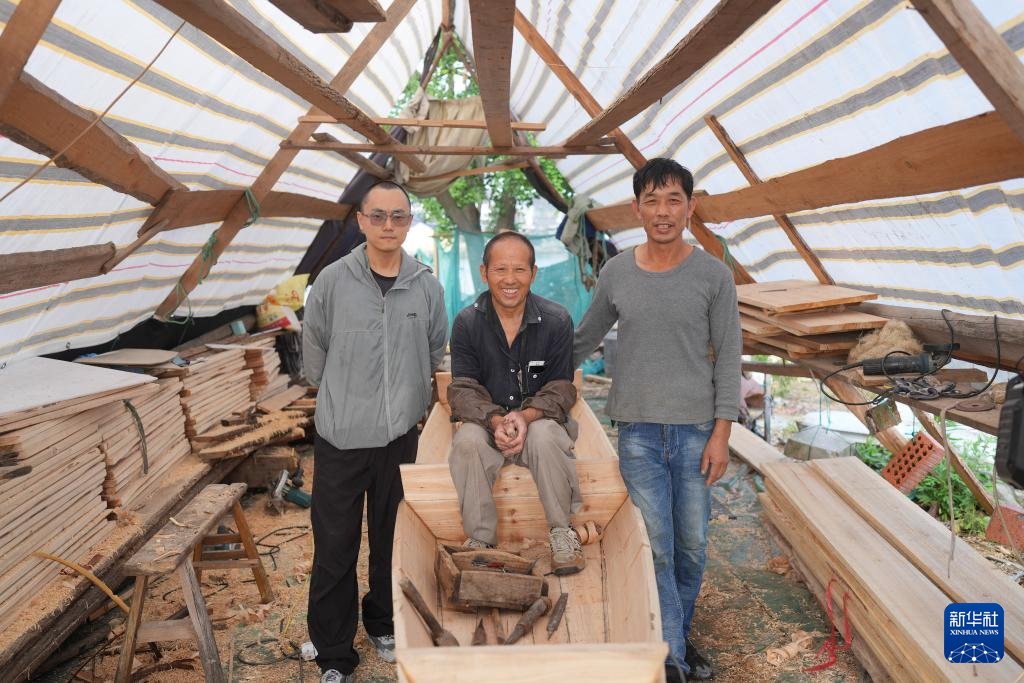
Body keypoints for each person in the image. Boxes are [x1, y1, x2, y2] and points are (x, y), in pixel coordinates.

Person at [573, 159, 741, 683]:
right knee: (658, 549)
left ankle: (676, 637)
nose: (663, 212)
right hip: (638, 432)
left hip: (696, 432)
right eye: (652, 201)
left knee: (692, 547)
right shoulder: (616, 273)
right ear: (636, 209)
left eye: (673, 200)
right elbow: (582, 338)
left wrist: (722, 433)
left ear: (690, 207)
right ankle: (671, 663)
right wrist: (525, 370)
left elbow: (729, 357)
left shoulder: (714, 275)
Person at [303, 181, 448, 683]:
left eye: (399, 216)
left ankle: (384, 623)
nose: (389, 225)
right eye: (379, 216)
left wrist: (407, 402)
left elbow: (434, 350)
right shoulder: (331, 281)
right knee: (335, 545)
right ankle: (333, 651)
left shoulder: (425, 285)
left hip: (399, 438)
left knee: (392, 540)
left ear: (410, 222)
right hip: (341, 436)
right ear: (361, 221)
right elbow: (314, 356)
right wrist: (346, 396)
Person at [446, 231, 585, 575]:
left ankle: (562, 532)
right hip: (488, 425)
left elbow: (562, 388)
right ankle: (481, 540)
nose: (510, 279)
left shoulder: (556, 320)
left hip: (537, 422)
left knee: (546, 435)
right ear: (484, 273)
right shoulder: (466, 323)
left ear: (533, 273)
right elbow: (462, 390)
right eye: (501, 269)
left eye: (520, 270)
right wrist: (496, 421)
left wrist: (525, 416)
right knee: (466, 440)